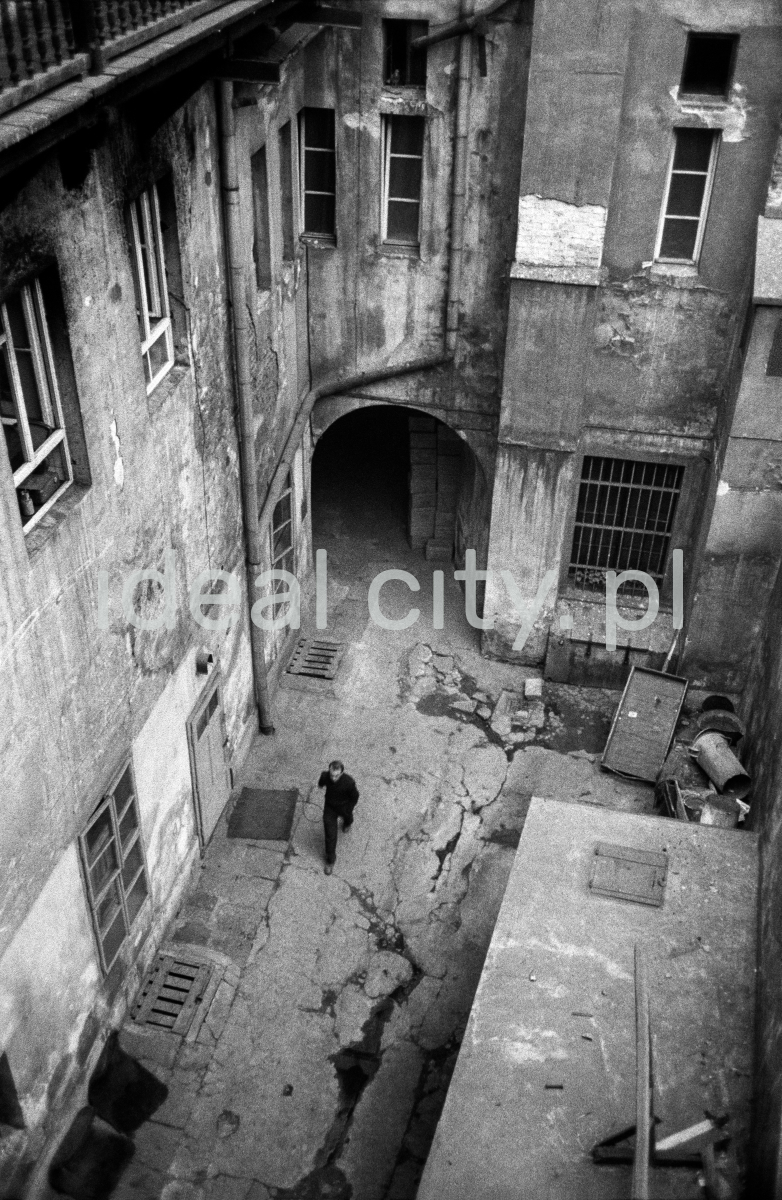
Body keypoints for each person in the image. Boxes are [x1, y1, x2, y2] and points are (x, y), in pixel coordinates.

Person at [317, 760, 359, 875]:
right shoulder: (325, 776)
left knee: (348, 817)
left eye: (336, 776)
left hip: (343, 806)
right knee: (330, 834)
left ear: (341, 773)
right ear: (329, 771)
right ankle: (330, 860)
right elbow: (321, 783)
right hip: (330, 807)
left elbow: (355, 797)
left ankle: (347, 822)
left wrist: (349, 809)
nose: (333, 778)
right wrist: (321, 783)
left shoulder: (349, 782)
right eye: (331, 775)